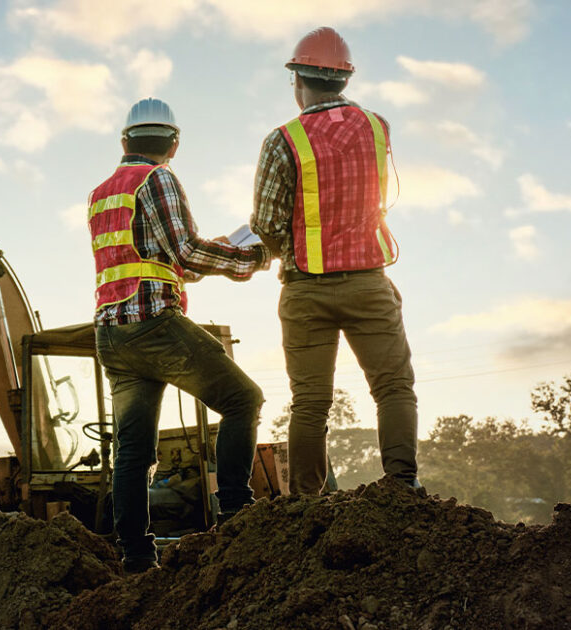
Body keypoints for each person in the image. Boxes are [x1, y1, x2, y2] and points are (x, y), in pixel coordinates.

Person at [90, 97, 271, 574]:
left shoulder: (102, 193)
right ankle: (235, 515)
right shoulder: (159, 178)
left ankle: (135, 556)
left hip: (111, 334)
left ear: (124, 141)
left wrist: (214, 253)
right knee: (243, 400)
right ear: (174, 145)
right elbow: (186, 253)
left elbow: (156, 261)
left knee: (133, 451)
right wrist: (250, 258)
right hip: (154, 326)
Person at [249, 27, 420, 495]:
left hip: (306, 289)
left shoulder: (282, 140)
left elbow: (267, 224)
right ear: (344, 79)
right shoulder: (378, 126)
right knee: (393, 388)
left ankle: (307, 504)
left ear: (297, 81)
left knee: (310, 403)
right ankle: (403, 489)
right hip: (369, 284)